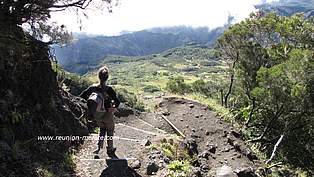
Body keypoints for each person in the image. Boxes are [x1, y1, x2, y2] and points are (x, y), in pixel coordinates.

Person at [80, 66, 120, 158]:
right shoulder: (109, 90)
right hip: (107, 114)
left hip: (97, 115)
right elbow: (117, 102)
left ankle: (99, 147)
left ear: (98, 76)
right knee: (110, 131)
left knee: (102, 129)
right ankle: (110, 149)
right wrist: (113, 108)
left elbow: (81, 96)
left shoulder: (92, 88)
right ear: (107, 77)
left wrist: (90, 107)